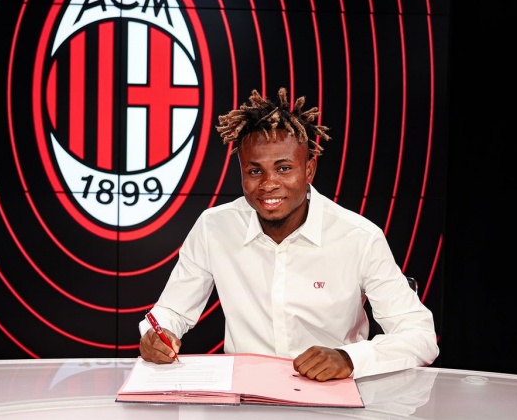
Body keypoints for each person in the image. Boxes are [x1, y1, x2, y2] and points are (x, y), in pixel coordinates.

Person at [139, 88, 439, 381]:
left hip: (334, 394)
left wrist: (349, 358)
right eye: (255, 171)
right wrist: (158, 334)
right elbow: (171, 311)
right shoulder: (214, 227)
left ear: (309, 170)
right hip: (245, 395)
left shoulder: (359, 237)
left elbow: (420, 335)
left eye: (283, 168)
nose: (268, 184)